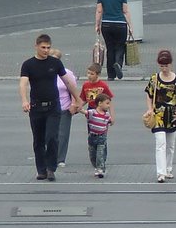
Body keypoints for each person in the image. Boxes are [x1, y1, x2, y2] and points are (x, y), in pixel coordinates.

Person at [19, 34, 81, 181]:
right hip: (36, 107)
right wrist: (24, 100)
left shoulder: (55, 63)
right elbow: (23, 84)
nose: (46, 50)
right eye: (43, 48)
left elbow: (68, 82)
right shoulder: (28, 64)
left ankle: (51, 168)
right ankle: (41, 170)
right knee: (38, 140)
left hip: (53, 106)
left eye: (48, 47)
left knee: (52, 137)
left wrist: (77, 99)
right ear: (36, 46)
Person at [144, 49, 176, 183]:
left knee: (170, 144)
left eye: (166, 65)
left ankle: (168, 169)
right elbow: (149, 94)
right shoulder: (154, 78)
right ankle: (161, 173)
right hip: (158, 114)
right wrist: (150, 109)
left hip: (172, 115)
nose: (164, 68)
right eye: (161, 66)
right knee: (160, 143)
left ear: (171, 64)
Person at [95, 0, 134, 81]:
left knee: (110, 48)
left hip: (106, 25)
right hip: (120, 24)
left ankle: (110, 74)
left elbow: (99, 11)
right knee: (120, 47)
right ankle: (118, 64)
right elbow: (125, 11)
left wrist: (97, 25)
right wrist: (130, 26)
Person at [49, 48, 77, 168]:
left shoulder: (67, 73)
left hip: (64, 107)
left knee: (63, 134)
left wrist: (74, 104)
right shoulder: (46, 71)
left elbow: (73, 89)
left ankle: (60, 158)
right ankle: (49, 157)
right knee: (49, 134)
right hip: (49, 107)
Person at [84, 93, 113, 178]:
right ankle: (96, 166)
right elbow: (85, 112)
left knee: (100, 153)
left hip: (102, 136)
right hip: (92, 136)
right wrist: (79, 109)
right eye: (107, 103)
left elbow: (110, 122)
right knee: (92, 155)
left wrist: (112, 117)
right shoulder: (92, 112)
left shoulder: (107, 115)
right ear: (100, 103)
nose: (108, 106)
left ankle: (100, 169)